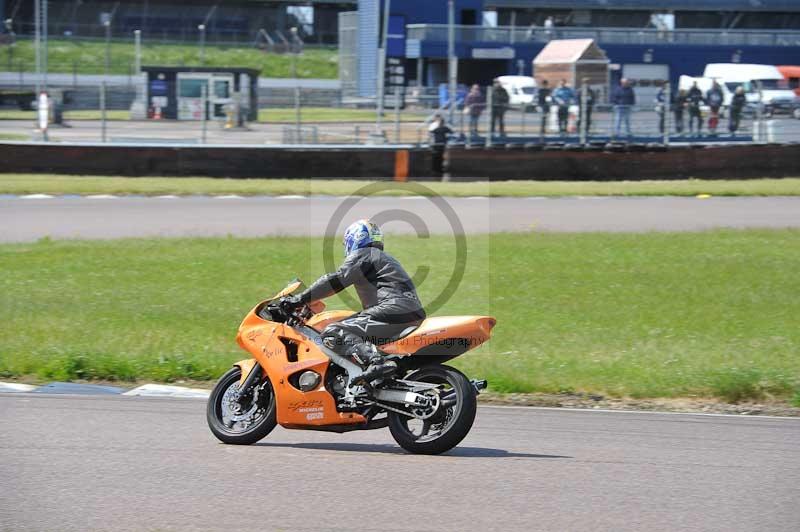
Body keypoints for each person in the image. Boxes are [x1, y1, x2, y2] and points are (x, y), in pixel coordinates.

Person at [282, 220, 426, 384]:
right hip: (405, 312)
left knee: (334, 331)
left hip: (392, 310)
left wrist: (298, 299)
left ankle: (376, 362)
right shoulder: (382, 258)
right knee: (352, 329)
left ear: (355, 239)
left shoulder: (365, 254)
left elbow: (337, 279)